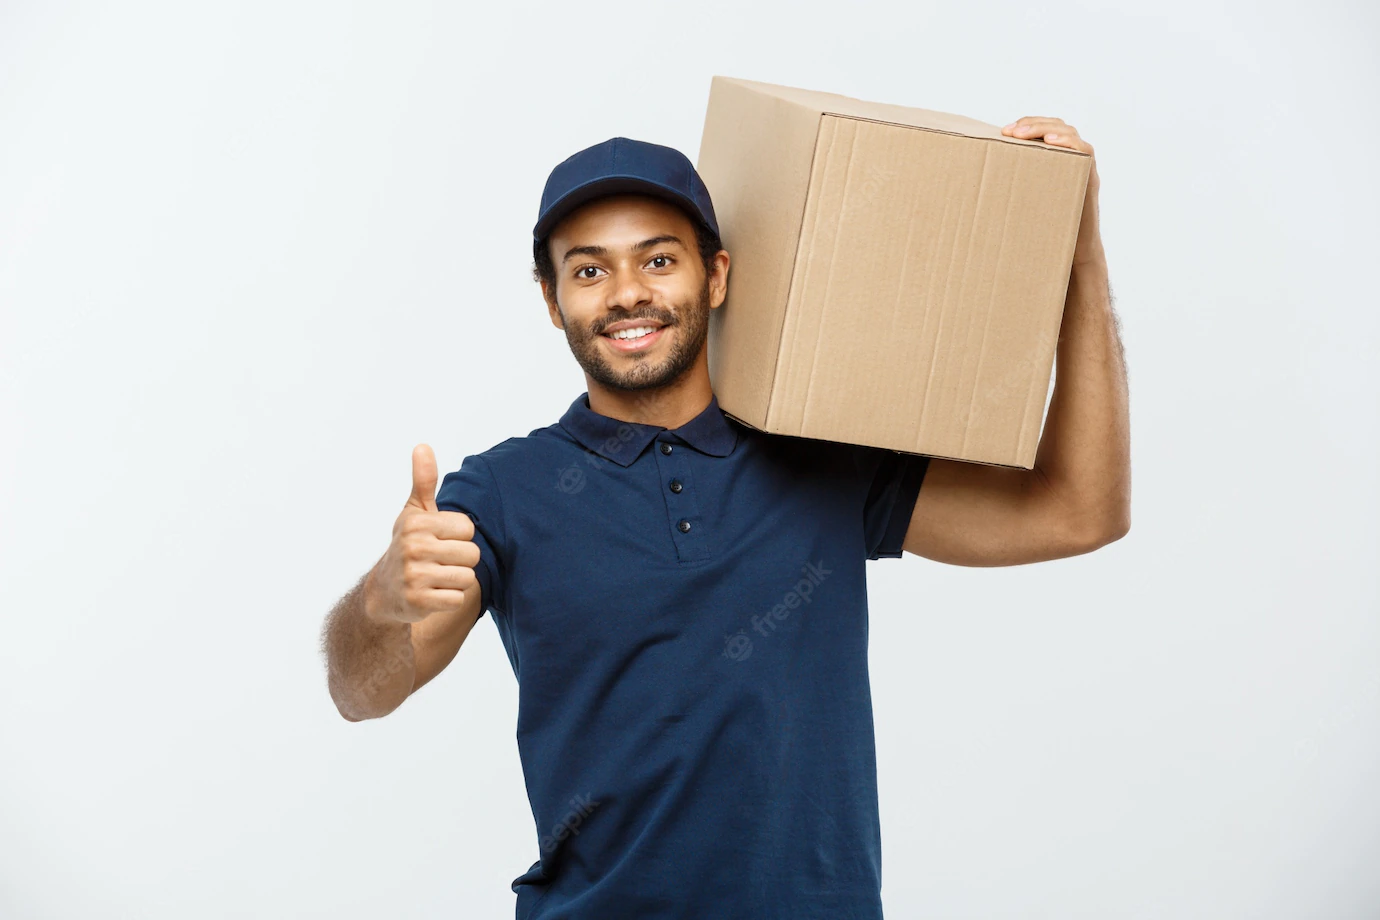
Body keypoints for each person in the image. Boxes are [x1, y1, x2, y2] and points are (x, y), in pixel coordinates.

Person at [321, 123, 1130, 919]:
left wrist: (1080, 253)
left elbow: (1077, 510)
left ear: (715, 276)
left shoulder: (824, 456)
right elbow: (361, 692)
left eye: (658, 259)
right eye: (590, 269)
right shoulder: (503, 493)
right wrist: (382, 600)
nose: (628, 292)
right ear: (552, 299)